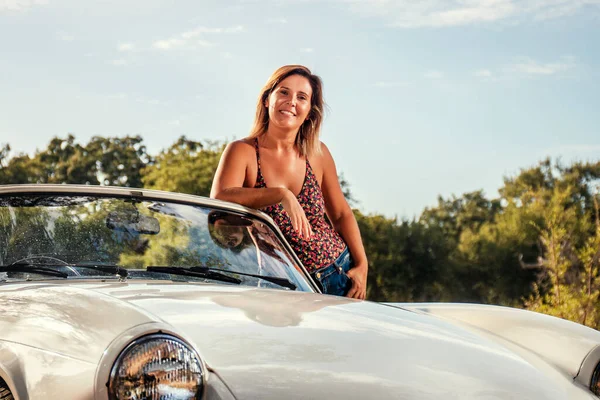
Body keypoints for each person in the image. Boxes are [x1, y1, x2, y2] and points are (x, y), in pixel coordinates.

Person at [210, 65, 368, 299]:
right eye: (283, 92)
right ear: (267, 100)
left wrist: (362, 266)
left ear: (309, 111)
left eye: (301, 97)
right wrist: (281, 194)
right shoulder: (242, 151)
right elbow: (220, 198)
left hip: (337, 272)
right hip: (280, 281)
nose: (291, 102)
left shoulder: (317, 153)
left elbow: (341, 214)